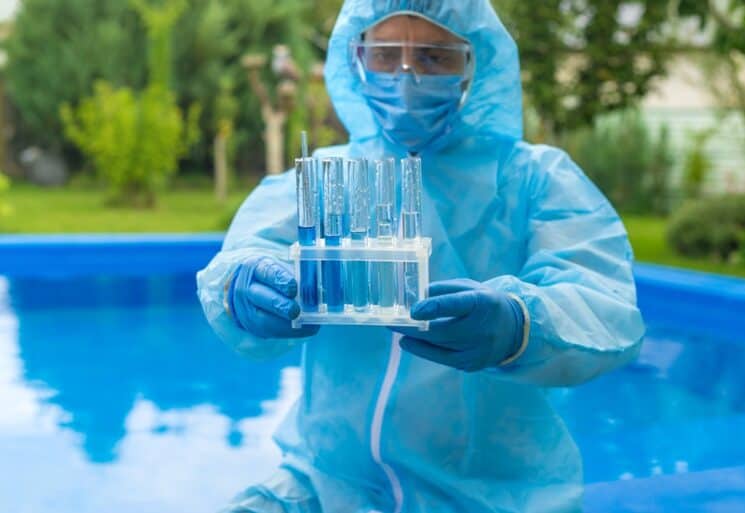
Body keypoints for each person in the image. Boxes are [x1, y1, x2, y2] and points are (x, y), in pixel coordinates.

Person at [197, 0, 646, 511]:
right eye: (386, 54)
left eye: (434, 56)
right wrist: (241, 287)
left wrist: (518, 325)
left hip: (493, 497)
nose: (406, 76)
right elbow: (247, 253)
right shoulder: (330, 177)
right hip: (322, 487)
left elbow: (604, 306)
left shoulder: (535, 181)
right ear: (357, 58)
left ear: (473, 63)